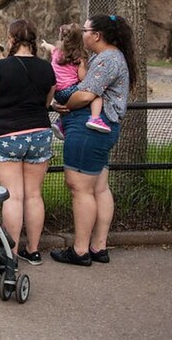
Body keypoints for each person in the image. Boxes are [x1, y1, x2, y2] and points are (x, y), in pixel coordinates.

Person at [50, 14, 138, 266]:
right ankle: (99, 246)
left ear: (97, 35)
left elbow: (86, 95)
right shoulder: (110, 57)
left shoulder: (107, 59)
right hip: (101, 129)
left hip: (88, 129)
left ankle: (79, 250)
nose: (83, 33)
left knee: (79, 187)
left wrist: (61, 103)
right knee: (99, 187)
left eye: (86, 30)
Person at [0, 19, 56, 266]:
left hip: (7, 135)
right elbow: (47, 101)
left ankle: (11, 253)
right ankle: (32, 250)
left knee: (13, 196)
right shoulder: (46, 68)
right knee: (33, 195)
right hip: (40, 134)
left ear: (11, 40)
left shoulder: (2, 66)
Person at [41, 23, 109, 138]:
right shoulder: (79, 58)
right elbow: (83, 78)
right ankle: (95, 118)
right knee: (96, 94)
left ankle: (60, 123)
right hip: (70, 90)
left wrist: (45, 44)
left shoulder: (56, 52)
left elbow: (50, 47)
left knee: (67, 107)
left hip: (57, 93)